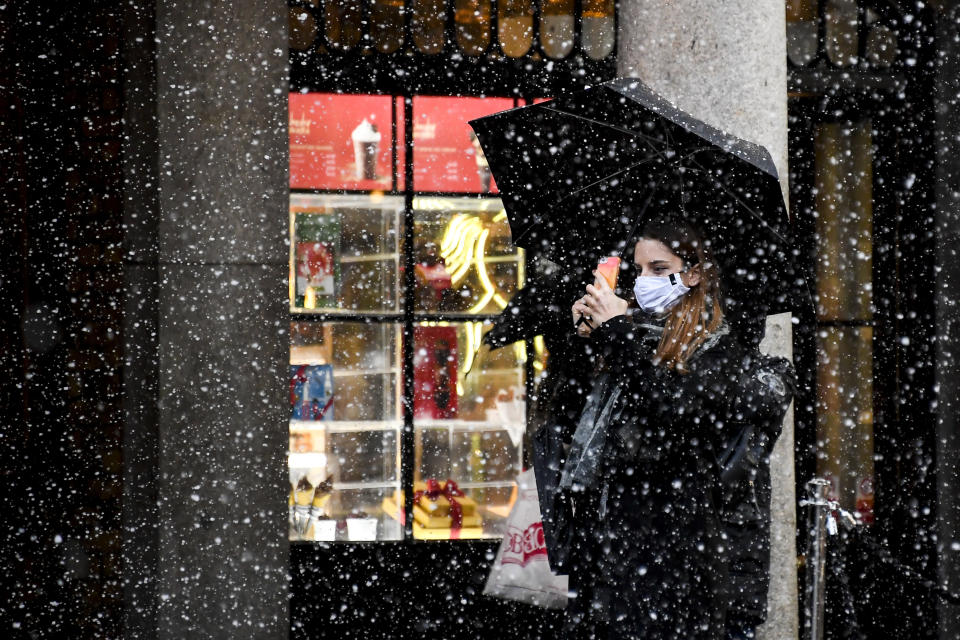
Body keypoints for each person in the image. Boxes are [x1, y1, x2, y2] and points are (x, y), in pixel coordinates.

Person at [549, 215, 794, 640]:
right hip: (618, 550)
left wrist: (618, 334)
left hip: (679, 555)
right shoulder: (636, 331)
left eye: (659, 270)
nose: (643, 281)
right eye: (638, 269)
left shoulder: (716, 345)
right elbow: (575, 423)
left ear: (693, 273)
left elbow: (675, 416)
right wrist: (580, 342)